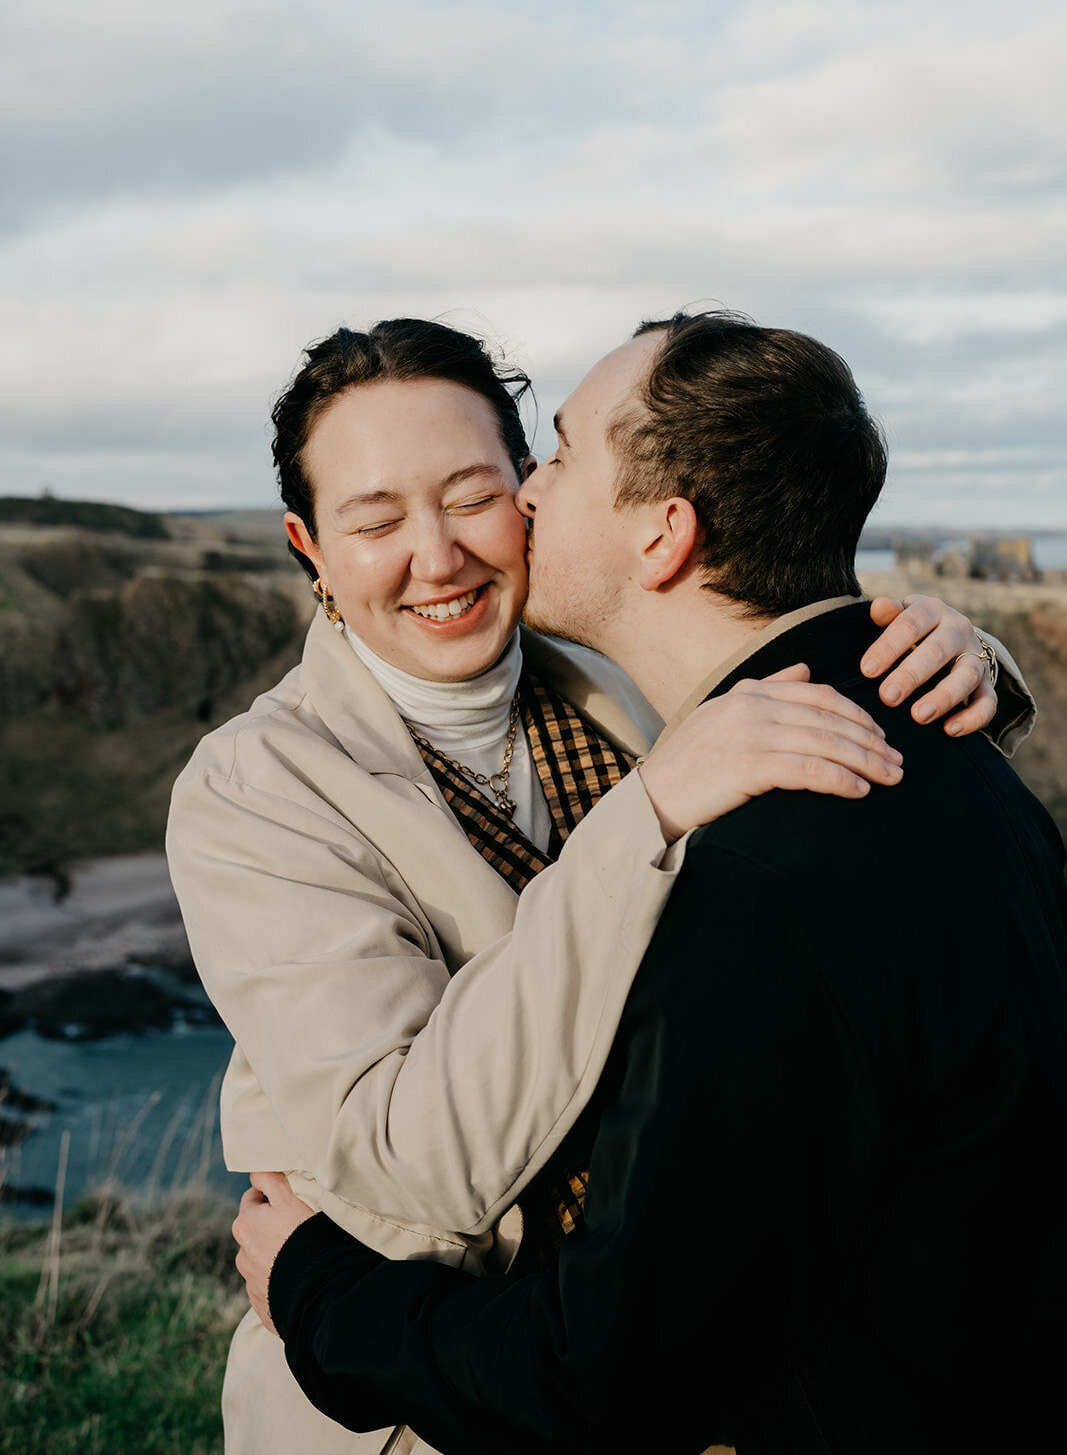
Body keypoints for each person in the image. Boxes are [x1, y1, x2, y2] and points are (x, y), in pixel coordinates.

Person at [169, 318, 1027, 1455]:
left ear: (528, 493)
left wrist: (955, 664)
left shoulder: (627, 687)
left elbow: (772, 677)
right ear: (308, 545)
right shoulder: (255, 787)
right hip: (416, 1411)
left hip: (650, 1371)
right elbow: (418, 1155)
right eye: (373, 521)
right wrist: (649, 812)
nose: (437, 556)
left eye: (474, 494)